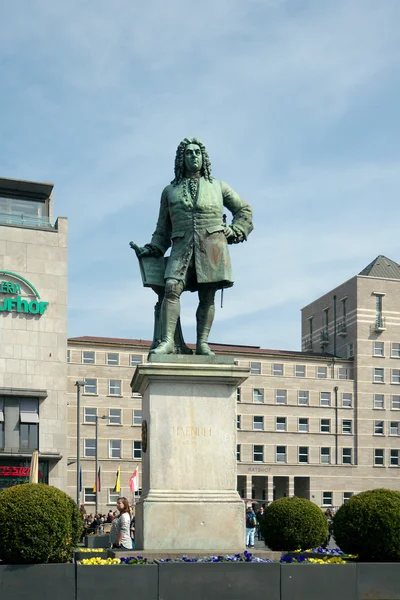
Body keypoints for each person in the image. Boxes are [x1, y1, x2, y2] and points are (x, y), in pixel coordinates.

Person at [133, 137, 253, 356]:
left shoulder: (218, 186)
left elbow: (244, 210)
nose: (193, 156)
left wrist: (235, 231)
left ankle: (202, 343)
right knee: (171, 287)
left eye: (197, 152)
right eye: (189, 153)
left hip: (212, 247)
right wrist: (152, 248)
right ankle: (168, 341)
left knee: (207, 296)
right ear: (182, 158)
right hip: (181, 247)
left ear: (204, 157)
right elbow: (162, 228)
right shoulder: (169, 191)